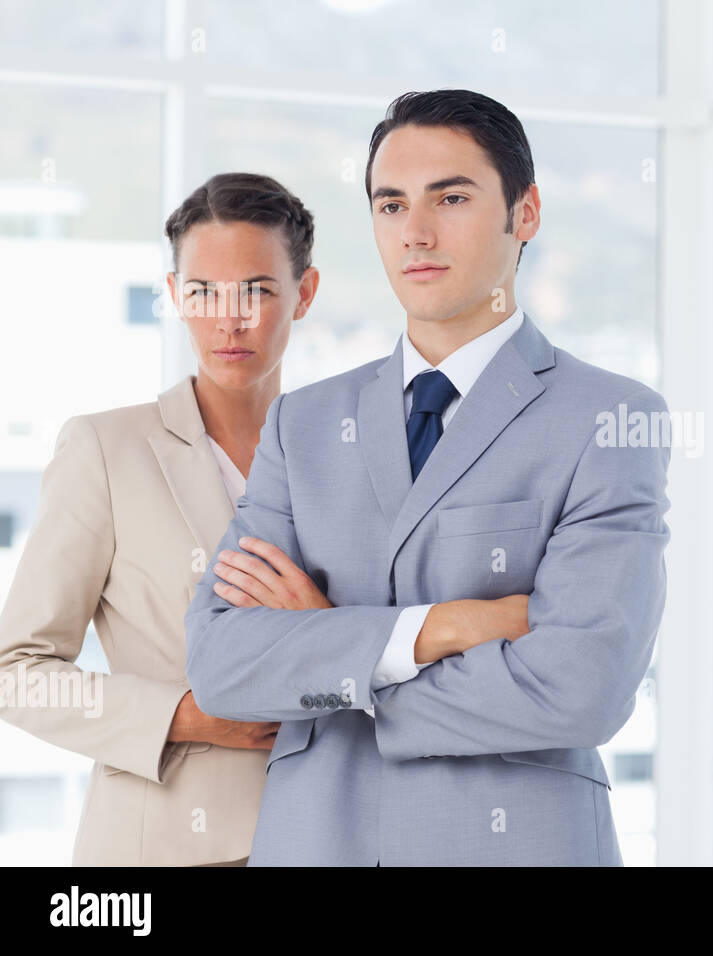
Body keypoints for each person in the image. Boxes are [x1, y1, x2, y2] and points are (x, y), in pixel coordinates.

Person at [185, 89, 672, 866]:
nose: (415, 232)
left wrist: (333, 649)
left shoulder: (608, 420)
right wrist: (437, 628)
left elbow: (583, 687)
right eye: (390, 204)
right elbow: (223, 665)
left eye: (451, 197)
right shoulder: (304, 423)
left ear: (526, 212)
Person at [0, 171, 527, 866]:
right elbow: (17, 670)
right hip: (157, 850)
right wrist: (188, 718)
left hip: (332, 834)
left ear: (304, 294)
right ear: (173, 297)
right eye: (203, 292)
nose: (229, 319)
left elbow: (400, 644)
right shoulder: (105, 450)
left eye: (257, 289)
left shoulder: (362, 447)